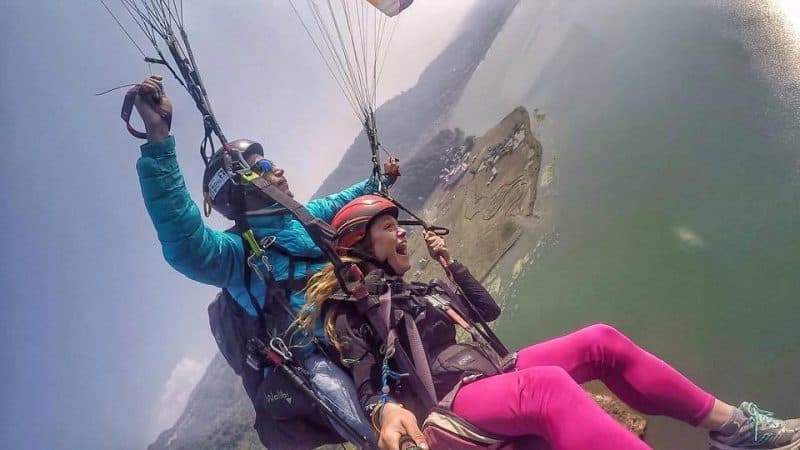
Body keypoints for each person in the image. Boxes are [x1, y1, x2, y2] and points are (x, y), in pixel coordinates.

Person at [299, 194, 800, 450]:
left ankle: (733, 428)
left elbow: (487, 313)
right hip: (447, 403)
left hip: (486, 372)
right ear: (359, 246)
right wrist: (383, 410)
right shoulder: (352, 305)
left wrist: (449, 263)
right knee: (547, 388)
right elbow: (365, 374)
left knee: (601, 340)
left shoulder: (416, 288)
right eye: (390, 229)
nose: (402, 236)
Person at [130, 75, 398, 449]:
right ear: (242, 185)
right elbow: (186, 243)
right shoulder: (235, 254)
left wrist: (379, 179)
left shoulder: (304, 217)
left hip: (360, 319)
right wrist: (158, 140)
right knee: (359, 417)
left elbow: (349, 197)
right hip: (322, 359)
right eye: (265, 165)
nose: (279, 169)